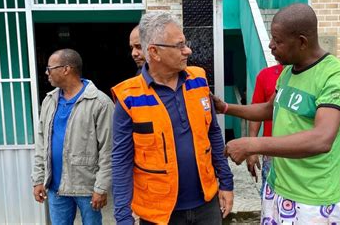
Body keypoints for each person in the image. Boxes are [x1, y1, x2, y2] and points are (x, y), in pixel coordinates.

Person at [213, 3, 340, 224]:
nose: (271, 45)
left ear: (301, 42)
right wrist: (227, 108)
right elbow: (270, 108)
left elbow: (322, 139)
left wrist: (253, 145)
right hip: (277, 186)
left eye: (277, 41)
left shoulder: (335, 75)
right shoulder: (289, 71)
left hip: (311, 198)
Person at [112, 12, 234, 224]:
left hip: (207, 205)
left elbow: (213, 132)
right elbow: (121, 160)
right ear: (154, 52)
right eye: (179, 46)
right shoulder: (128, 97)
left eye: (185, 43)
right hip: (159, 214)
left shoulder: (199, 78)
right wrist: (123, 217)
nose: (188, 50)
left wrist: (226, 183)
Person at [32, 48, 114, 225]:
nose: (46, 73)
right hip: (56, 187)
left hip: (87, 187)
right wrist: (38, 179)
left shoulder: (100, 103)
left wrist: (101, 188)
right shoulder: (49, 100)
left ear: (66, 69)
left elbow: (108, 150)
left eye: (49, 68)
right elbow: (41, 142)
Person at [245, 63, 283, 195]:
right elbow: (257, 112)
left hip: (301, 153)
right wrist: (251, 148)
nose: (272, 47)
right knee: (269, 199)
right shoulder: (265, 75)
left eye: (279, 42)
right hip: (271, 153)